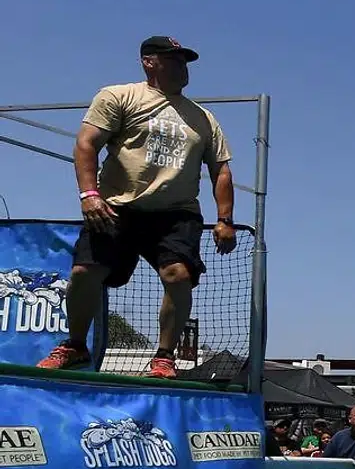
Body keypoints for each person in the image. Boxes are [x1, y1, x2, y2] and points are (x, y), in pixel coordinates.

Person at [37, 36, 236, 379]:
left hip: (176, 212)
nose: (182, 67)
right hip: (116, 206)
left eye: (185, 61)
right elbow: (87, 144)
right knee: (85, 273)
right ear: (149, 62)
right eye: (173, 59)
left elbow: (221, 169)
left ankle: (163, 358)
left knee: (179, 276)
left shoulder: (204, 118)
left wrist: (225, 219)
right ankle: (74, 345)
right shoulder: (118, 96)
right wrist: (89, 195)